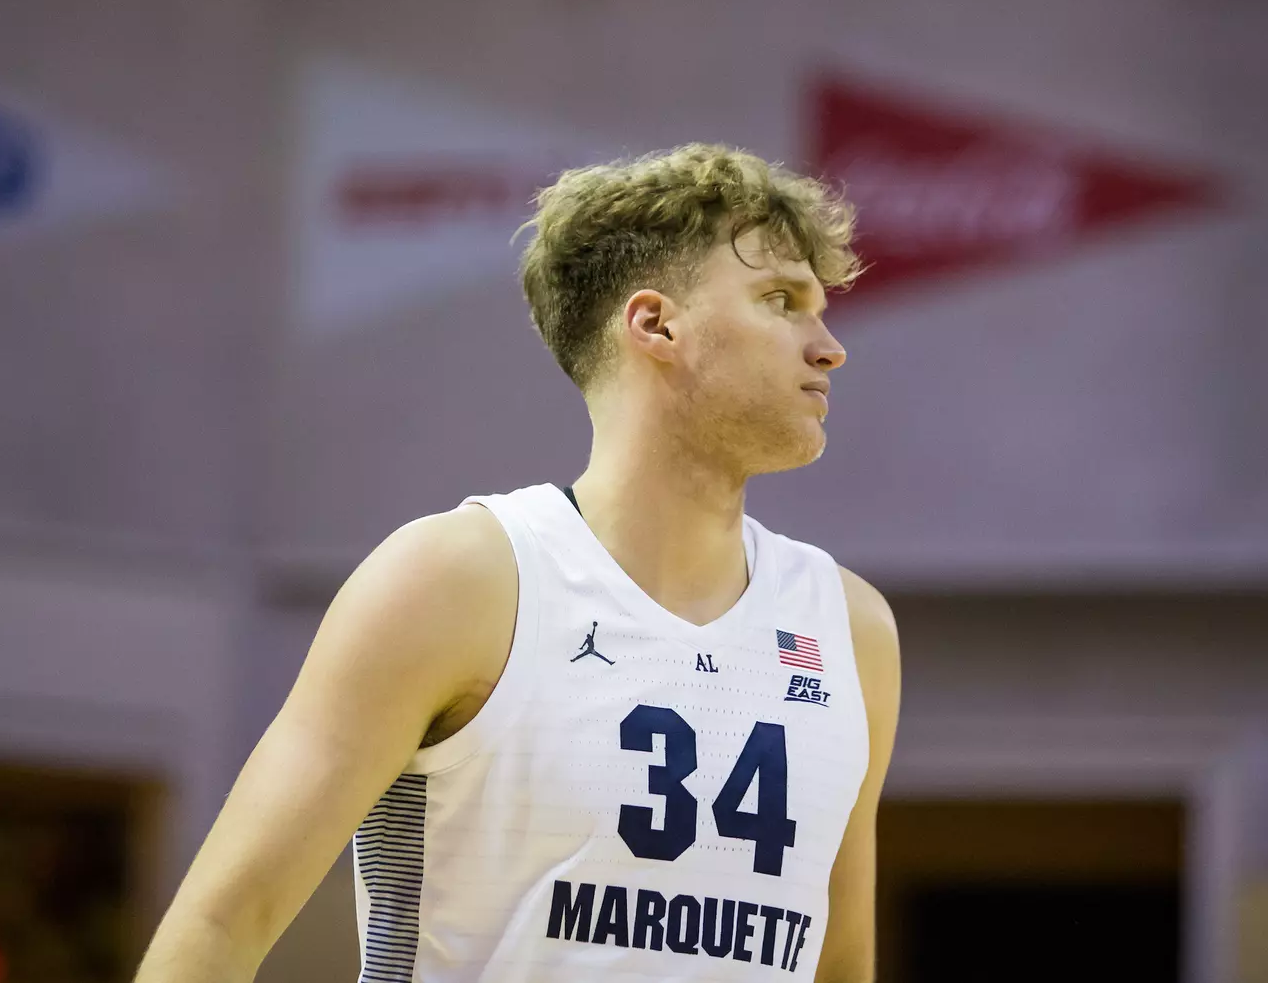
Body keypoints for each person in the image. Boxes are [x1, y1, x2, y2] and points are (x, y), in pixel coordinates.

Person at [133, 144, 901, 982]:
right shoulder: (458, 579)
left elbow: (839, 965)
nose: (829, 347)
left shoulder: (850, 626)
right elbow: (221, 921)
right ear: (656, 325)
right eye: (781, 300)